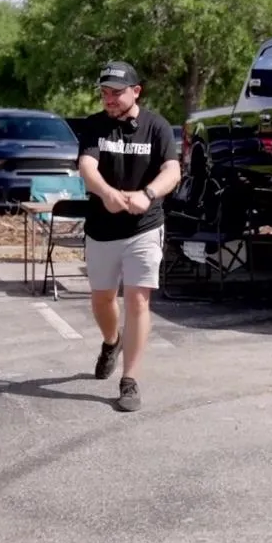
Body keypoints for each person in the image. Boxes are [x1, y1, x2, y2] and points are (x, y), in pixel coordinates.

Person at [76, 61, 180, 412]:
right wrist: (106, 193)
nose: (109, 99)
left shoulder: (157, 127)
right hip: (102, 229)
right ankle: (112, 341)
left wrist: (148, 194)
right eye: (104, 93)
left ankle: (130, 380)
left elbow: (173, 170)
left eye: (116, 93)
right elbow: (87, 167)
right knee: (102, 299)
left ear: (136, 91)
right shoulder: (94, 126)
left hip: (144, 227)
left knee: (138, 300)